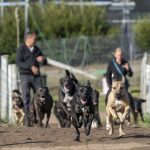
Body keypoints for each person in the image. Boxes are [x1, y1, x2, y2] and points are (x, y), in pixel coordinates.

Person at [16, 32, 47, 127]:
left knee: (41, 97)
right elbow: (18, 63)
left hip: (36, 77)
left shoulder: (37, 49)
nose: (35, 41)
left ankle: (39, 119)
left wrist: (43, 59)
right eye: (34, 39)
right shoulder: (21, 48)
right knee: (26, 98)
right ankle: (27, 121)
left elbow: (45, 61)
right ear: (28, 39)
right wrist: (30, 67)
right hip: (25, 76)